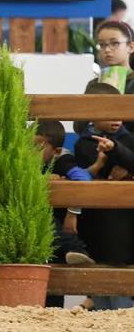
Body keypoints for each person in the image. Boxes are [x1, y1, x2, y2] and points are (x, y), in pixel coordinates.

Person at [73, 82, 134, 310]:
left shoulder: (128, 139)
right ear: (91, 115)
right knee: (98, 270)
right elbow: (86, 170)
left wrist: (115, 149)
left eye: (119, 111)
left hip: (123, 220)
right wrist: (102, 163)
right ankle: (99, 313)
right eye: (107, 113)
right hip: (95, 218)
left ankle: (121, 316)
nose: (115, 118)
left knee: (119, 271)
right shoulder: (85, 143)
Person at [36, 119, 96, 307]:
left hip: (58, 220)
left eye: (39, 146)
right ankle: (75, 249)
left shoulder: (63, 160)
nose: (32, 151)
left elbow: (83, 179)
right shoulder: (24, 161)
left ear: (56, 151)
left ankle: (76, 250)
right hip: (39, 218)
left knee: (57, 257)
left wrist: (72, 211)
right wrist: (44, 179)